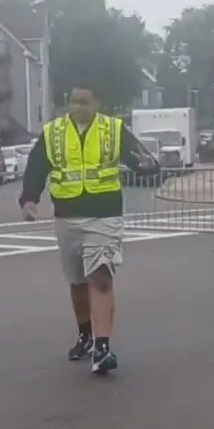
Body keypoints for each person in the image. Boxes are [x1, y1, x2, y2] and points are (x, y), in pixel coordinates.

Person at [19, 88, 160, 374]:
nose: (79, 106)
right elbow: (37, 167)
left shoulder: (113, 129)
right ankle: (85, 335)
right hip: (67, 217)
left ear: (97, 102)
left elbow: (141, 160)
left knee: (101, 278)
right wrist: (29, 199)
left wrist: (148, 165)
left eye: (85, 101)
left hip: (104, 215)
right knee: (77, 282)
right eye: (74, 101)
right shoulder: (53, 132)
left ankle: (102, 347)